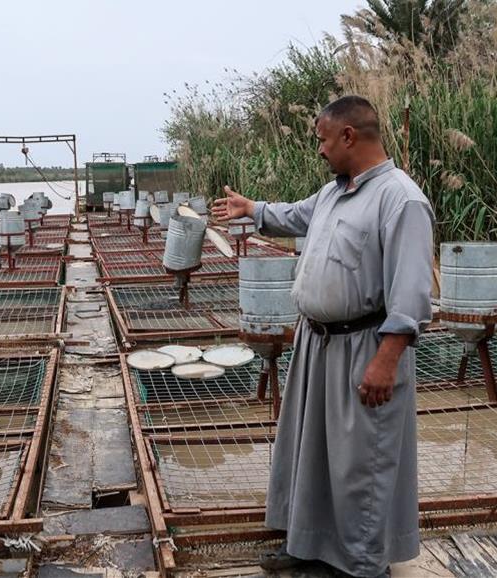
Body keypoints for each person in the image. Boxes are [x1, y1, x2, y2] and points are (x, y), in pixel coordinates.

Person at [211, 95, 434, 577]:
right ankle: (310, 544)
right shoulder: (336, 191)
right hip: (316, 345)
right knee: (311, 452)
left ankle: (361, 563)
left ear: (349, 136)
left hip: (364, 347)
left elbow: (412, 293)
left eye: (323, 139)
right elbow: (296, 216)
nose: (319, 149)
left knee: (361, 463)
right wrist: (253, 208)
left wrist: (386, 359)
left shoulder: (401, 199)